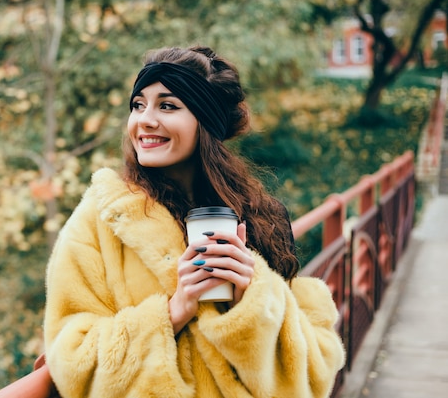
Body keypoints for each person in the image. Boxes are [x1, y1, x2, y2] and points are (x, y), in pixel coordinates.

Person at [41, 45, 345, 397]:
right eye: (138, 105)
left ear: (205, 121)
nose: (145, 120)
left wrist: (251, 297)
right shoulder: (104, 217)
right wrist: (173, 311)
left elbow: (311, 371)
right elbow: (71, 359)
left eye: (167, 105)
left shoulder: (264, 216)